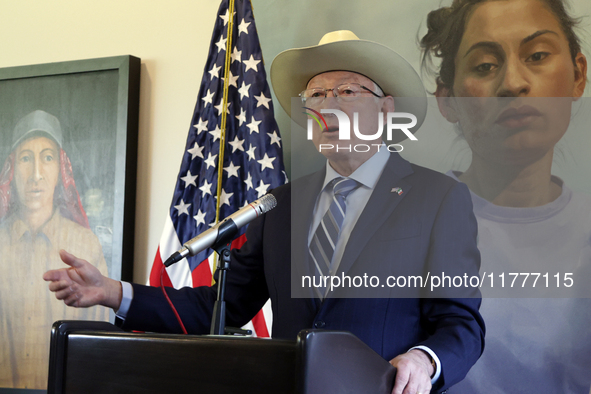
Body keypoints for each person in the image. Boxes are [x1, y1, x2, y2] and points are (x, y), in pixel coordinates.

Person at [44, 31, 485, 394]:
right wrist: (112, 292)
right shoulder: (281, 204)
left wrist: (425, 361)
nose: (328, 104)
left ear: (385, 108)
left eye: (347, 91)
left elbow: (460, 324)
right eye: (316, 94)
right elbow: (220, 306)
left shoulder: (438, 197)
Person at [420, 0, 591, 392]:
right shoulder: (404, 227)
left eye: (537, 55)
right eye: (484, 66)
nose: (513, 83)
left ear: (577, 75)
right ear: (448, 99)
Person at [0, 110, 109, 389]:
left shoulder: (85, 246)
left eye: (47, 157)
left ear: (61, 168)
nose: (36, 174)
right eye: (26, 158)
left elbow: (99, 349)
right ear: (12, 170)